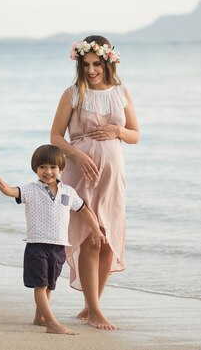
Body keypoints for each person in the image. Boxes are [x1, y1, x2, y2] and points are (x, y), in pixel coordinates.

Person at [51, 36, 139, 330]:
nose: (91, 70)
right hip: (81, 176)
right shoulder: (73, 94)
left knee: (108, 243)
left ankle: (91, 307)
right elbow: (55, 138)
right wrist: (76, 155)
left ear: (107, 62)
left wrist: (118, 130)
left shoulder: (120, 92)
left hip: (113, 179)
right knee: (92, 238)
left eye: (96, 64)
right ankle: (96, 311)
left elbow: (135, 134)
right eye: (86, 64)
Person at [0, 144, 106, 335]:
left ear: (61, 168)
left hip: (58, 247)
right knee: (40, 286)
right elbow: (10, 191)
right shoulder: (31, 190)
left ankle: (39, 317)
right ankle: (52, 323)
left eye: (52, 167)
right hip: (37, 245)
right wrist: (0, 182)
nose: (48, 171)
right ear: (35, 169)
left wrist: (96, 230)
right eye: (42, 167)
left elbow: (83, 210)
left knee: (49, 285)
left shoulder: (68, 192)